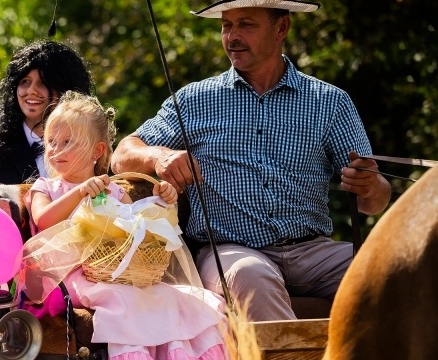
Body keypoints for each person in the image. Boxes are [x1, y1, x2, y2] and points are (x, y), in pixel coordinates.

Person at [111, 0, 392, 321]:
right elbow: (122, 155)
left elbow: (375, 201)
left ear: (281, 27)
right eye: (226, 25)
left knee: (390, 267)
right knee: (252, 276)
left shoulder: (330, 102)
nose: (232, 36)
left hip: (313, 252)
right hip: (230, 252)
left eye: (246, 24)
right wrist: (158, 155)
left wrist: (370, 186)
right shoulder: (194, 101)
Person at [22, 91, 229, 360]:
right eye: (51, 142)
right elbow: (43, 221)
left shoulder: (113, 190)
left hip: (119, 272)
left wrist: (163, 203)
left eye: (67, 142)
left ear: (98, 151)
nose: (55, 150)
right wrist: (79, 192)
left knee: (172, 298)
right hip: (76, 273)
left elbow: (136, 229)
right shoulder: (46, 187)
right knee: (121, 304)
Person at [0, 40, 94, 189]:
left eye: (43, 83)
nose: (31, 91)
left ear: (67, 89)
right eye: (24, 82)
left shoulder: (91, 145)